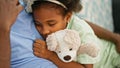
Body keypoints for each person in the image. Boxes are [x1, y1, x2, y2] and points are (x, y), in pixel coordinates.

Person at [0, 0, 120, 68]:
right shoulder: (42, 12)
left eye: (51, 24)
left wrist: (50, 55)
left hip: (112, 58)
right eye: (37, 24)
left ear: (67, 17)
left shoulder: (80, 30)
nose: (45, 31)